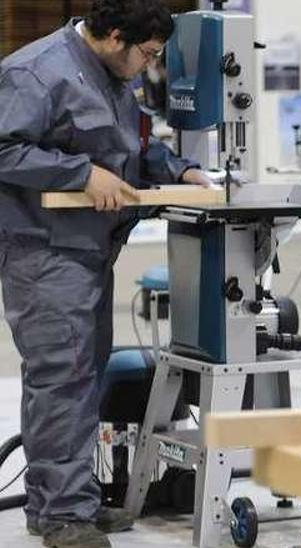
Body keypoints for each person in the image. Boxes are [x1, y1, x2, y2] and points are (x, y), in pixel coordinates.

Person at [0, 0, 210, 546]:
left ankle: (64, 506)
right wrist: (78, 173)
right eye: (146, 54)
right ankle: (64, 517)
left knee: (80, 382)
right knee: (62, 382)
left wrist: (179, 168)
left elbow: (128, 149)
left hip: (91, 253)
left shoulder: (113, 76)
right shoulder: (36, 72)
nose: (148, 65)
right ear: (114, 35)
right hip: (45, 253)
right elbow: (4, 148)